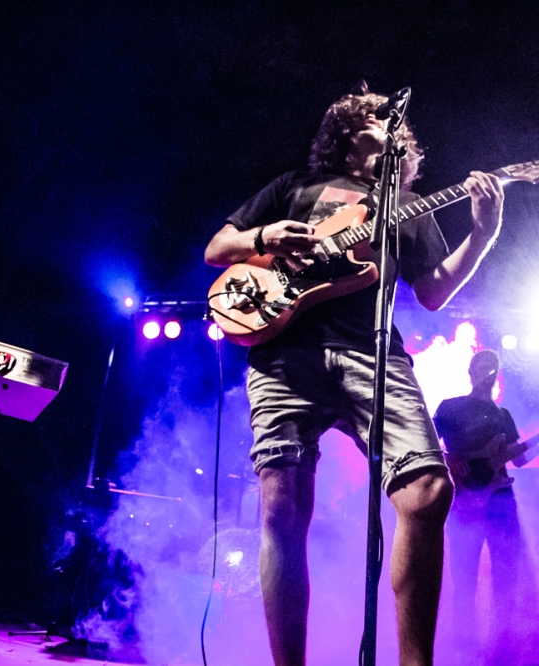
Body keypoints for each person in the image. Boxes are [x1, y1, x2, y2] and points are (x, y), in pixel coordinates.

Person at [204, 83, 505, 665]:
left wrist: (483, 233)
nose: (387, 123)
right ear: (346, 132)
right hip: (287, 351)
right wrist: (265, 236)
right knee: (282, 506)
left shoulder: (407, 206)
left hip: (374, 353)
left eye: (392, 122)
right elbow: (218, 249)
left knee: (428, 489)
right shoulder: (295, 186)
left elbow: (434, 292)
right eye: (372, 115)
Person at [433, 350, 523, 665]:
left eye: (492, 367)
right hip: (465, 499)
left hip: (501, 500)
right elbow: (425, 443)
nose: (487, 372)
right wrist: (448, 458)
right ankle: (463, 648)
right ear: (471, 371)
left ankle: (503, 645)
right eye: (482, 366)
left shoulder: (503, 415)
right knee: (464, 579)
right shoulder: (451, 407)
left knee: (506, 576)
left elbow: (518, 459)